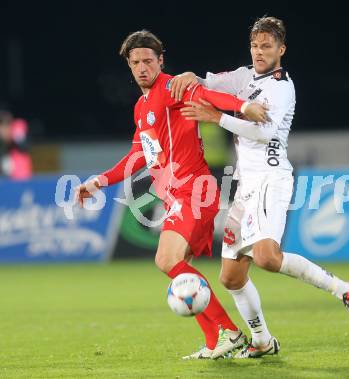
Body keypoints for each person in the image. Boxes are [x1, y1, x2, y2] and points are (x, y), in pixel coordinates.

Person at [172, 16, 349, 359]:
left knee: (266, 257)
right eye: (255, 45)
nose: (260, 51)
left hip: (270, 179)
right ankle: (262, 341)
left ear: (281, 49)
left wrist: (216, 117)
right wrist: (192, 76)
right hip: (246, 186)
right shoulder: (244, 76)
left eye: (267, 46)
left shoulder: (281, 87)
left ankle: (347, 291)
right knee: (231, 277)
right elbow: (209, 82)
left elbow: (263, 133)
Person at [75, 30, 267, 359]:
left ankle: (231, 332)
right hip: (179, 195)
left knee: (166, 260)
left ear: (160, 61)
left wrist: (244, 105)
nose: (141, 67)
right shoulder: (141, 106)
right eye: (135, 62)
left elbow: (208, 95)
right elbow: (139, 153)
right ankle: (216, 339)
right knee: (180, 267)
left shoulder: (171, 86)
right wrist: (100, 181)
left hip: (193, 190)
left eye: (148, 60)